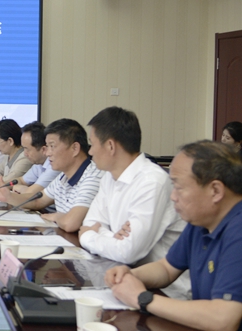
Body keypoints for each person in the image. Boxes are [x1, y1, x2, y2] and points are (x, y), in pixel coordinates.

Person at [106, 141, 242, 331]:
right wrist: (129, 276)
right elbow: (166, 268)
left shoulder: (238, 230)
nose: (173, 196)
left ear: (215, 191)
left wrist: (142, 298)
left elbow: (223, 318)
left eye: (178, 187)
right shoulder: (202, 222)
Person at [79, 107, 186, 269]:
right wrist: (113, 237)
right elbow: (91, 221)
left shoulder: (152, 181)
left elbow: (128, 253)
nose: (90, 151)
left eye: (92, 144)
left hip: (159, 280)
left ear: (110, 146)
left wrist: (88, 236)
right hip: (119, 269)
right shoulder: (109, 176)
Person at [0, 118, 103, 232]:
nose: (47, 153)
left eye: (52, 146)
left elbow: (71, 223)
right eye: (47, 147)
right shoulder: (63, 177)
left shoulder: (92, 176)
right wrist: (8, 197)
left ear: (75, 148)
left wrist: (56, 216)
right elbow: (38, 201)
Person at [9, 121, 61, 194]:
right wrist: (2, 185)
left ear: (43, 149)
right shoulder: (39, 163)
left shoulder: (54, 166)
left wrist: (21, 189)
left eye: (27, 149)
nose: (25, 154)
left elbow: (31, 193)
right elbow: (21, 180)